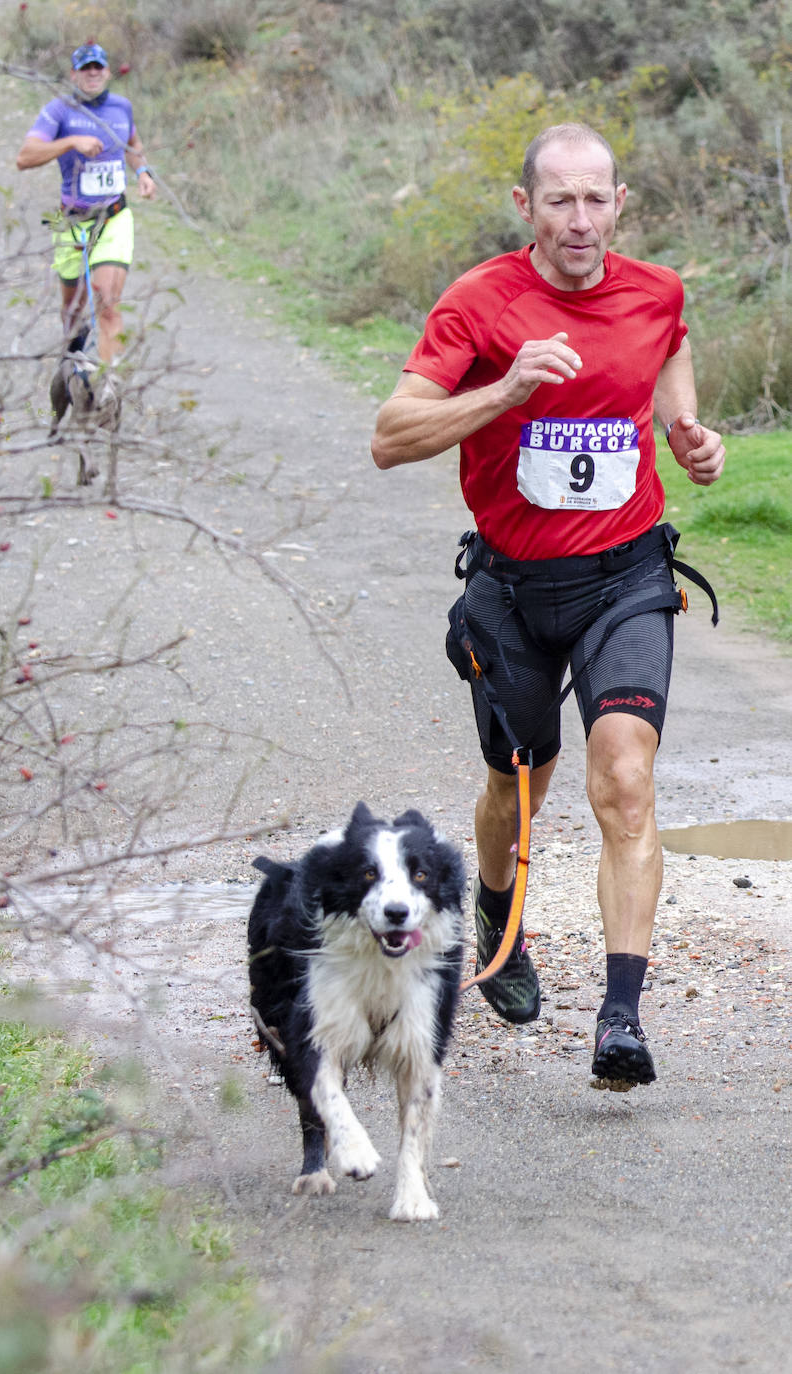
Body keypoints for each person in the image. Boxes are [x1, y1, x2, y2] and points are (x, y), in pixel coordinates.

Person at [370, 123, 725, 1088]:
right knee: (518, 789)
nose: (580, 219)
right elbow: (391, 436)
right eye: (558, 200)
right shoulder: (479, 304)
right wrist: (504, 389)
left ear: (622, 202)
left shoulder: (655, 291)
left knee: (624, 781)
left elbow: (669, 349)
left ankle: (620, 1017)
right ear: (525, 206)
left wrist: (686, 431)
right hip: (513, 589)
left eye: (595, 198)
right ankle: (497, 909)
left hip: (627, 578)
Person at [16, 41, 156, 375]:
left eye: (98, 67)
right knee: (73, 309)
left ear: (107, 72)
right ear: (74, 74)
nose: (92, 74)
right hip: (69, 221)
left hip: (114, 218)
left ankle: (108, 388)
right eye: (85, 68)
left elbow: (132, 144)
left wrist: (142, 171)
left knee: (106, 300)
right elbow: (24, 157)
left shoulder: (122, 107)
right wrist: (69, 141)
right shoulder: (59, 110)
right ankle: (71, 363)